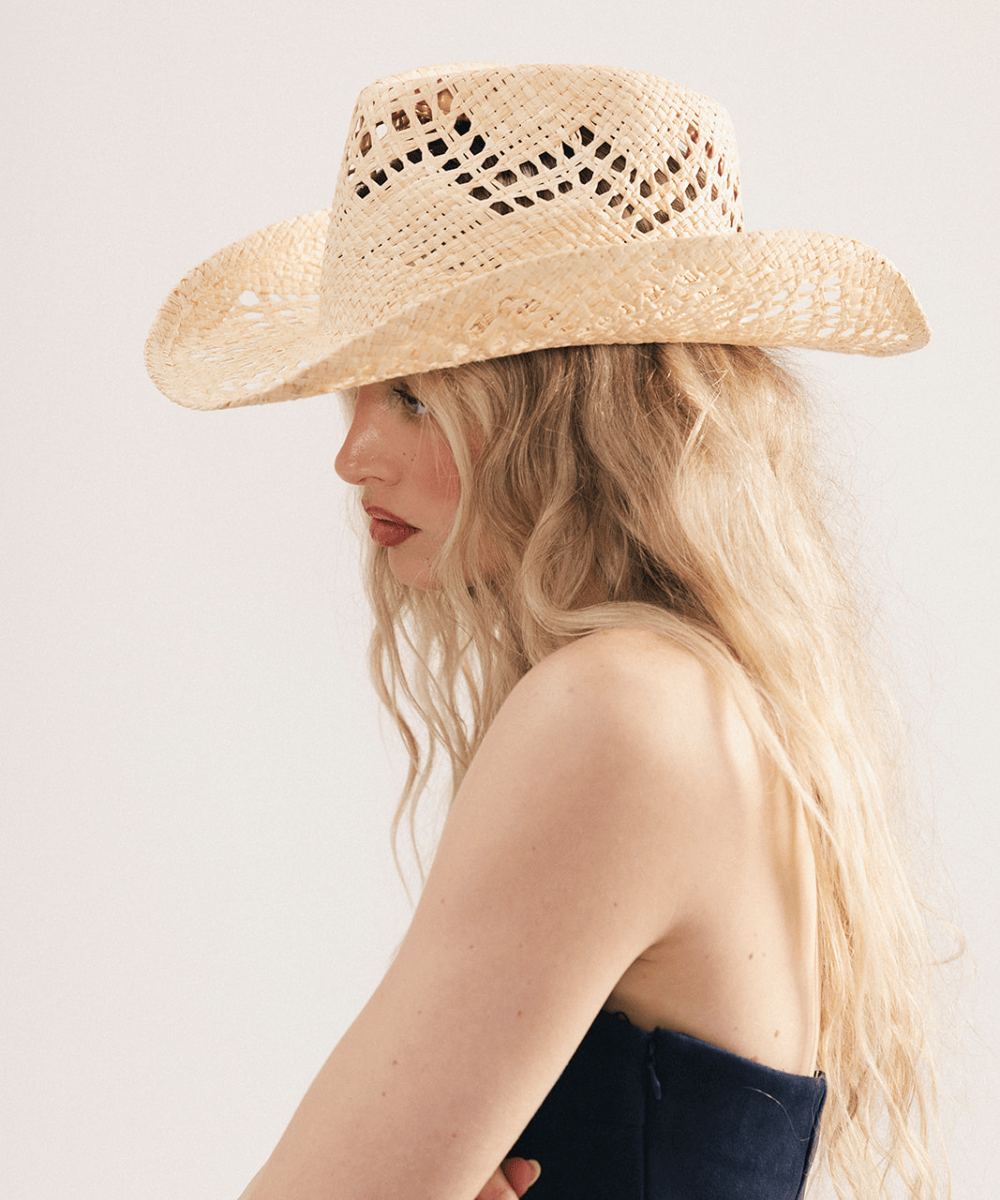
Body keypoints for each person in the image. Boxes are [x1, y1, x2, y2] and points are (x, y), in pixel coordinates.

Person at [146, 63, 946, 1199]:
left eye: (414, 396)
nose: (351, 456)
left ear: (571, 408)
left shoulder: (616, 708)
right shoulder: (712, 700)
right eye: (358, 393)